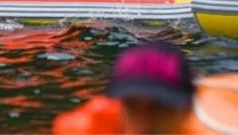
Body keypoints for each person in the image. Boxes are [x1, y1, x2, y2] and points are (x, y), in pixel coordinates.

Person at [53, 42, 196, 134]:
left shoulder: (212, 128)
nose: (142, 127)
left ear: (186, 110)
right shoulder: (84, 128)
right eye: (131, 106)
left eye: (156, 107)